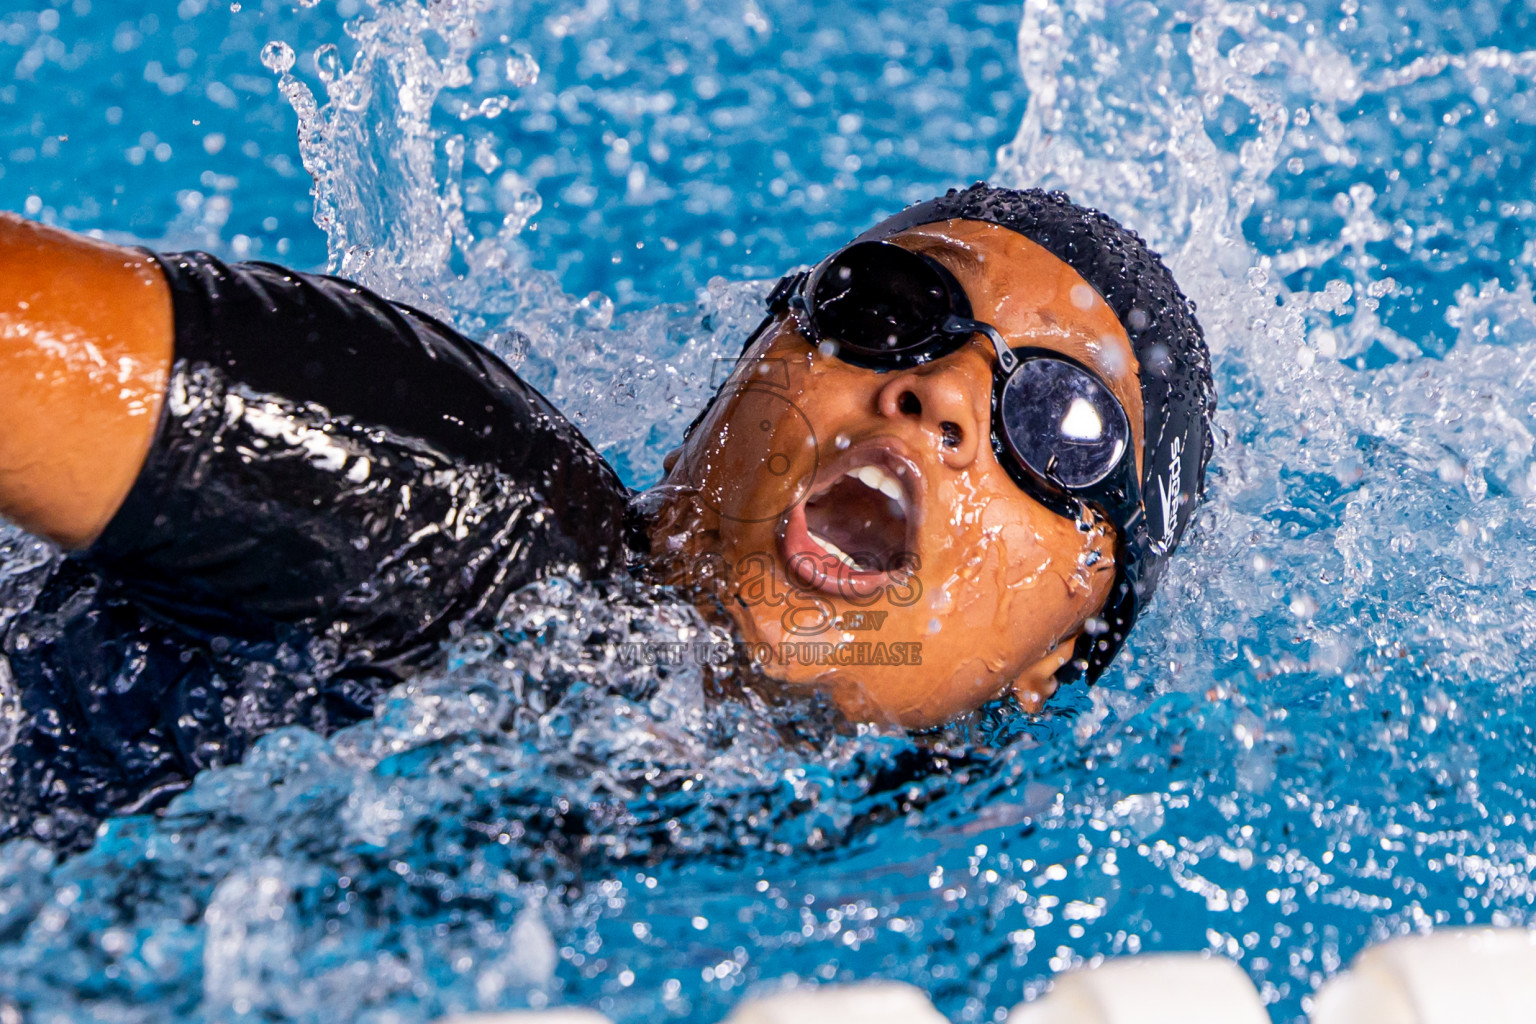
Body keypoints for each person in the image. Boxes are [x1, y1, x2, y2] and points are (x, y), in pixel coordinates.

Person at [0, 182, 1214, 849]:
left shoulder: (871, 867)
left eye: (1060, 427)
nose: (940, 389)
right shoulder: (451, 502)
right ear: (736, 384)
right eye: (892, 307)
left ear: (1061, 651)